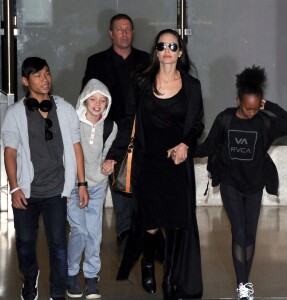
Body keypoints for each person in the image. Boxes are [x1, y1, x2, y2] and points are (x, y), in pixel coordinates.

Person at [103, 29, 204, 300]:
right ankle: (148, 261)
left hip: (177, 163)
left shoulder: (192, 86)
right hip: (147, 162)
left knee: (173, 223)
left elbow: (197, 125)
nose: (168, 50)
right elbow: (128, 121)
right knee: (150, 222)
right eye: (162, 45)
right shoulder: (140, 81)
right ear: (156, 51)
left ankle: (170, 278)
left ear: (180, 51)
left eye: (173, 45)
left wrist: (185, 144)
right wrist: (113, 154)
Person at [193, 66, 287, 300]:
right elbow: (209, 146)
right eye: (246, 107)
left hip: (255, 185)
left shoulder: (264, 122)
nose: (251, 112)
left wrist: (268, 106)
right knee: (239, 232)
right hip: (231, 182)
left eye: (255, 107)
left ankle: (244, 281)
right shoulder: (225, 118)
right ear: (237, 100)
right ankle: (243, 285)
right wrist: (184, 150)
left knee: (250, 235)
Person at [1, 57, 89, 300]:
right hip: (26, 192)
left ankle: (57, 292)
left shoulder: (65, 109)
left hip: (56, 190)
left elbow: (76, 146)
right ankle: (30, 278)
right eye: (38, 75)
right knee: (25, 243)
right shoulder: (15, 114)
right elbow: (10, 152)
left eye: (47, 73)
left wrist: (81, 183)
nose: (45, 79)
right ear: (25, 81)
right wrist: (15, 188)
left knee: (58, 245)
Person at [81, 13, 149, 247]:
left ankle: (142, 228)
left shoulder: (146, 60)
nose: (124, 33)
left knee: (139, 179)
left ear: (133, 32)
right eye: (119, 29)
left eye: (128, 29)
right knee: (116, 177)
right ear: (110, 33)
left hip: (140, 130)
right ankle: (125, 231)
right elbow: (87, 96)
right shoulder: (96, 61)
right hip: (108, 130)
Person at [66, 79, 117, 299]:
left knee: (94, 234)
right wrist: (67, 187)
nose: (97, 104)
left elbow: (106, 154)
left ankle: (91, 278)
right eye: (93, 99)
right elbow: (65, 157)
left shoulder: (110, 126)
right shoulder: (72, 123)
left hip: (97, 186)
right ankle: (70, 273)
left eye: (103, 100)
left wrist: (109, 164)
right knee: (79, 230)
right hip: (73, 187)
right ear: (84, 100)